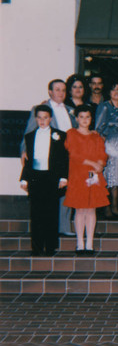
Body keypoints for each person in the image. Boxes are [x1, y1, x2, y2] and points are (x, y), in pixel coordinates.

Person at [22, 79, 77, 236]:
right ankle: (48, 228)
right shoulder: (41, 109)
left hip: (68, 157)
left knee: (66, 190)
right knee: (48, 195)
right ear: (50, 92)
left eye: (64, 90)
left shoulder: (70, 109)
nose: (61, 93)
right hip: (48, 160)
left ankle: (64, 226)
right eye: (57, 89)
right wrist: (23, 152)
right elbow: (29, 133)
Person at [20, 105, 68, 256]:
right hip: (36, 177)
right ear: (35, 118)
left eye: (45, 117)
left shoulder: (60, 135)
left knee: (51, 212)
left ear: (51, 119)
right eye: (39, 117)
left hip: (52, 177)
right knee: (36, 213)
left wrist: (64, 177)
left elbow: (63, 159)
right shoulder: (30, 136)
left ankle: (51, 247)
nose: (42, 120)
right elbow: (28, 161)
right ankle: (37, 247)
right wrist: (24, 179)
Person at [64, 105, 109, 255]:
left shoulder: (96, 136)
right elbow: (73, 154)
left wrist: (101, 164)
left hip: (94, 176)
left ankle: (89, 243)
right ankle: (79, 242)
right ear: (76, 118)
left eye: (88, 117)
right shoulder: (71, 134)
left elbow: (102, 154)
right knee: (80, 209)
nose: (85, 120)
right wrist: (92, 163)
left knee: (91, 209)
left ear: (91, 119)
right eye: (81, 117)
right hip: (78, 175)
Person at [95, 81, 118, 219]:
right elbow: (98, 128)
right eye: (113, 89)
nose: (116, 92)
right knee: (109, 177)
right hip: (110, 144)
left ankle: (116, 208)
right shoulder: (105, 106)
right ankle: (107, 208)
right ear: (108, 92)